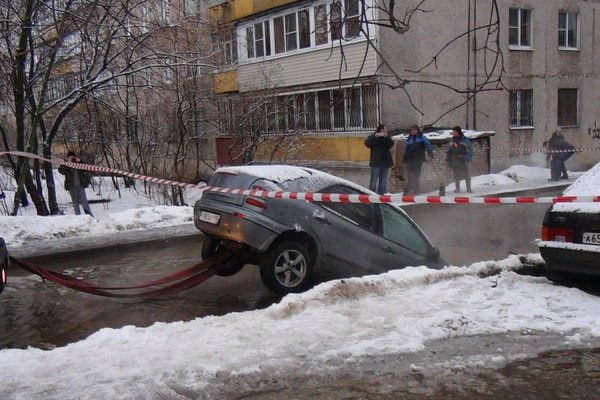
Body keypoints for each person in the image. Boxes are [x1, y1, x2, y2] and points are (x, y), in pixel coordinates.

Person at [58, 150, 94, 217]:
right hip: (72, 186)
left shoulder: (79, 163)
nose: (72, 158)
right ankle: (78, 218)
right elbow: (61, 171)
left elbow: (86, 168)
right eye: (70, 157)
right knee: (75, 204)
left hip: (80, 185)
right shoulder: (66, 164)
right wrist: (67, 163)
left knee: (85, 203)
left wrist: (80, 162)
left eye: (73, 157)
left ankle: (90, 217)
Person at [402, 125, 433, 195]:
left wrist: (430, 155)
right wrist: (404, 158)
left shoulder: (422, 138)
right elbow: (405, 150)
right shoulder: (409, 139)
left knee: (416, 175)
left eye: (414, 130)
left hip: (418, 159)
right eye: (412, 130)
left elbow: (428, 145)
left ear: (417, 130)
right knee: (410, 176)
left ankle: (411, 190)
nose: (413, 131)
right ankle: (413, 190)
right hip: (410, 159)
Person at [364, 124, 394, 194]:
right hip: (376, 162)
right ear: (379, 130)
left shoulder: (386, 138)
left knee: (383, 180)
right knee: (373, 180)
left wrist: (387, 137)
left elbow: (391, 144)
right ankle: (371, 194)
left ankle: (382, 194)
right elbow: (367, 143)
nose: (384, 131)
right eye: (383, 129)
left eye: (385, 130)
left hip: (385, 162)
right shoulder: (373, 138)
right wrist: (374, 137)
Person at [445, 126, 473, 193]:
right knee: (456, 175)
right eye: (453, 132)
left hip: (463, 160)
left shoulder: (465, 141)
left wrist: (467, 159)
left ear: (458, 132)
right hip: (454, 160)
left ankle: (468, 188)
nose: (453, 133)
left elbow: (469, 151)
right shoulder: (452, 141)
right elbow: (449, 151)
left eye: (455, 132)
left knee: (466, 175)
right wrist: (447, 159)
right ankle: (457, 188)